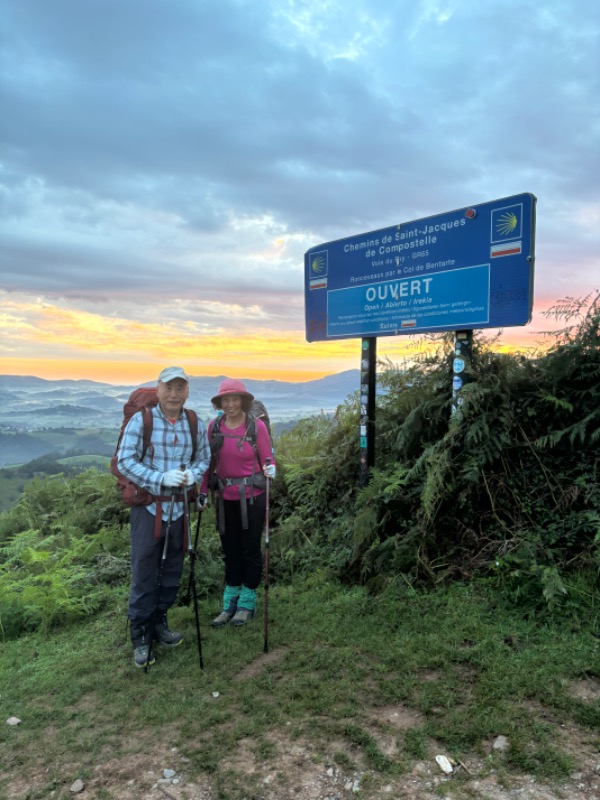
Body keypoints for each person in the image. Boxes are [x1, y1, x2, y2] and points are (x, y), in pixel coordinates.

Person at [117, 366, 210, 668]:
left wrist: (189, 476)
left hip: (179, 508)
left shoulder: (195, 422)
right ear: (158, 389)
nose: (174, 393)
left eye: (180, 387)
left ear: (187, 391)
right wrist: (160, 479)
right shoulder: (141, 420)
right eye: (168, 387)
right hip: (149, 507)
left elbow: (204, 458)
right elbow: (125, 461)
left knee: (171, 569)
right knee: (145, 571)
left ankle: (160, 623)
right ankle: (141, 636)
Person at [199, 378, 276, 628]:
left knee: (250, 548)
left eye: (235, 399)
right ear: (220, 403)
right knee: (230, 549)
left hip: (252, 497)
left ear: (243, 401)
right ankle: (229, 601)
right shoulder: (214, 426)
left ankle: (246, 602)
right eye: (226, 399)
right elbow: (208, 464)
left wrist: (271, 468)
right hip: (224, 498)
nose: (230, 404)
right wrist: (202, 491)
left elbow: (266, 457)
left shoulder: (256, 427)